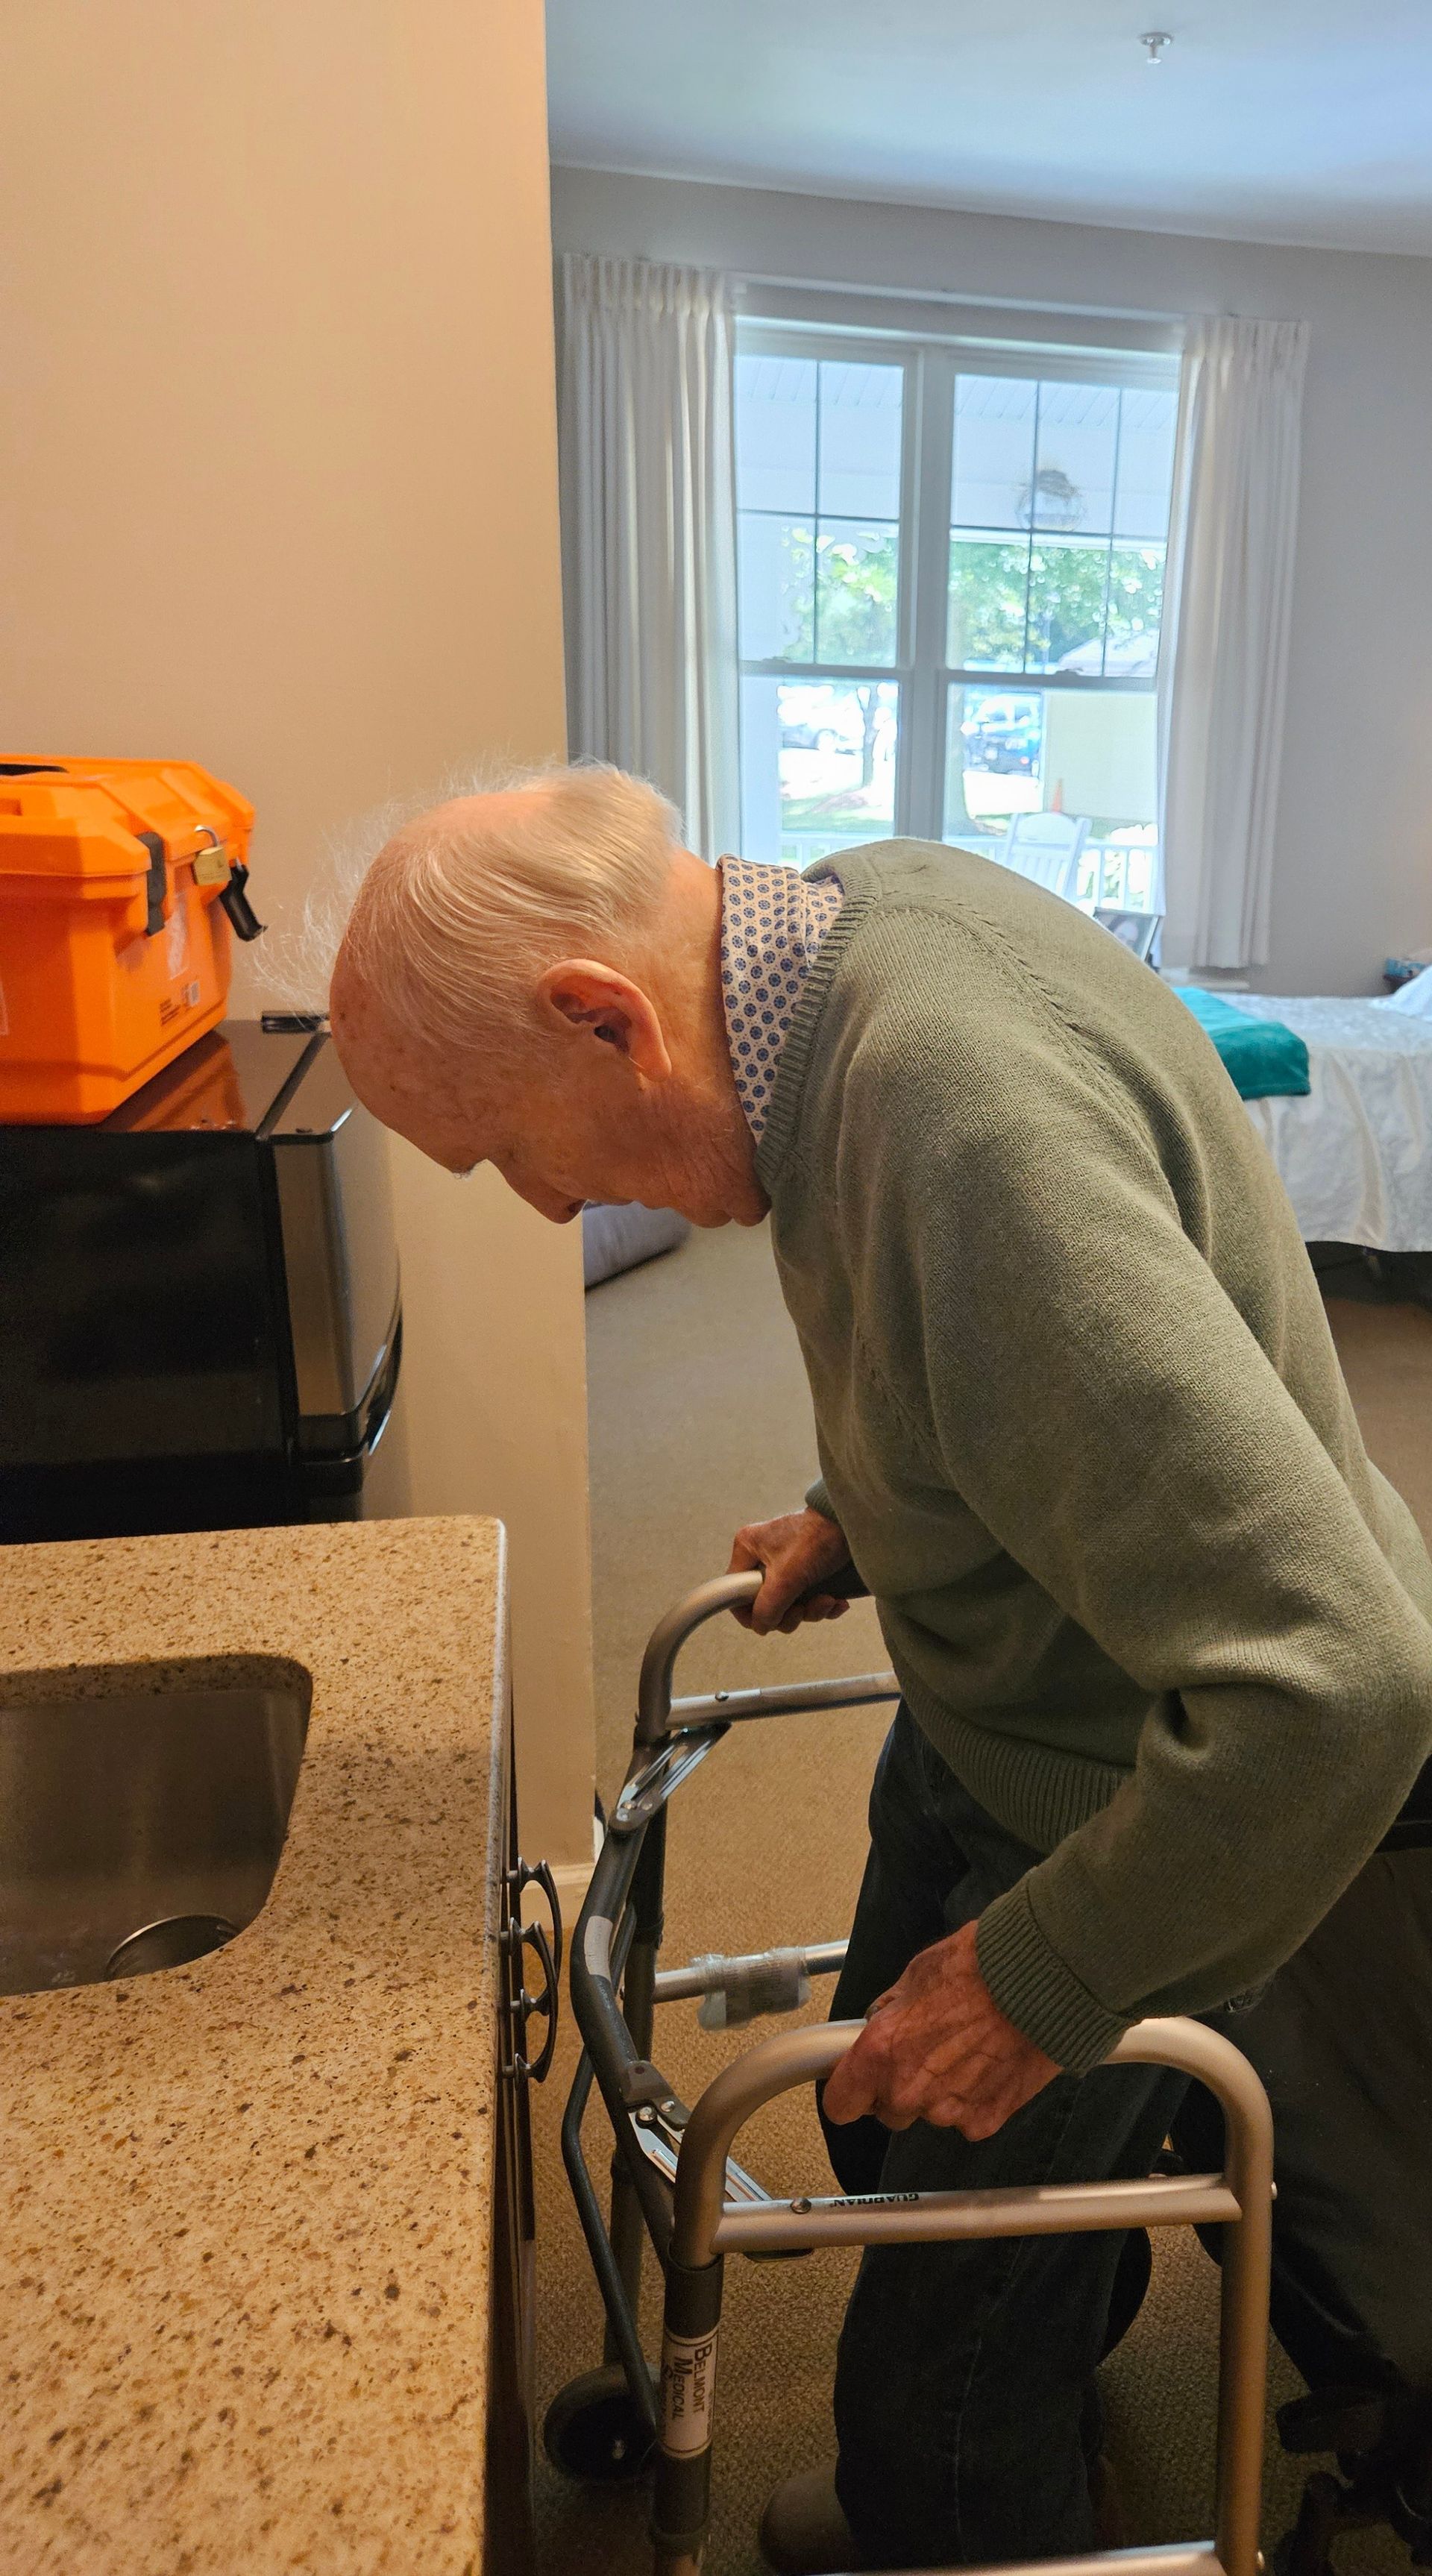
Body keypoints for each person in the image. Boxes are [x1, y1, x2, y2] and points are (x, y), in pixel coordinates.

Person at [327, 761, 1432, 2575]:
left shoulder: (952, 1108)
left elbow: (1344, 1678)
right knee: (890, 2146)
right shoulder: (828, 928)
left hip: (1142, 1773)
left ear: (604, 1020)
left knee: (932, 2386)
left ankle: (968, 2501)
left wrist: (1040, 1974)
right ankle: (1051, 2296)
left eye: (504, 1151)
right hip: (1008, 1682)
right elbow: (1003, 1336)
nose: (538, 1209)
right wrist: (866, 1502)